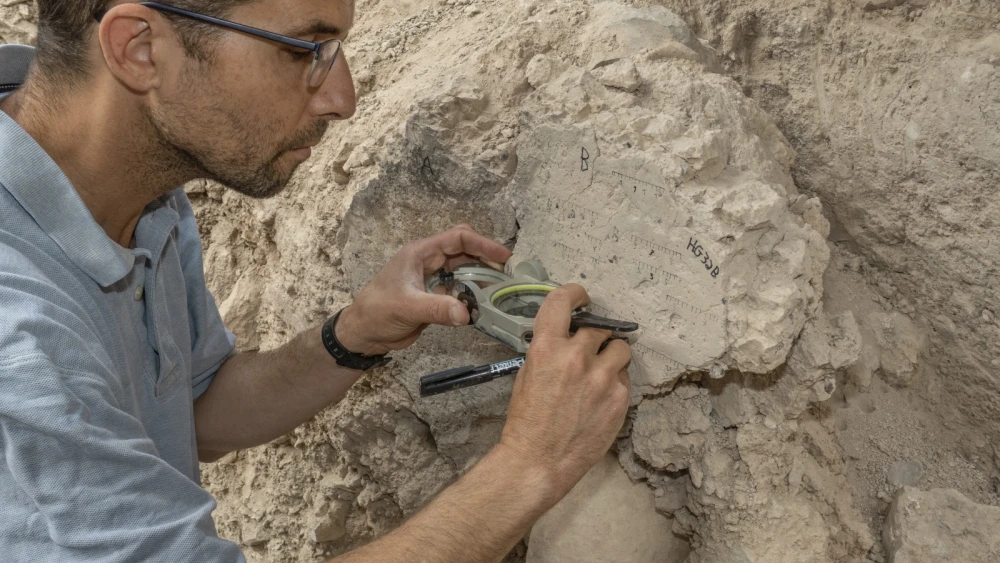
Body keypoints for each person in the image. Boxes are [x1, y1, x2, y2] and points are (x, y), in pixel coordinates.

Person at [0, 1, 633, 562]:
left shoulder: (140, 190)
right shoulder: (22, 334)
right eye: (308, 50)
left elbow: (195, 414)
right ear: (139, 47)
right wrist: (530, 464)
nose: (343, 98)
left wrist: (354, 334)